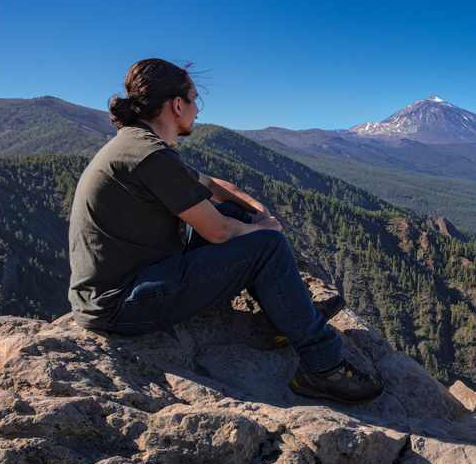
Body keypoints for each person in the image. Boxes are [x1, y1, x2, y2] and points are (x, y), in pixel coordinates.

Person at [68, 58, 383, 404]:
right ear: (177, 105)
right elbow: (218, 233)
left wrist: (257, 211)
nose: (197, 111)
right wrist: (266, 232)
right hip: (120, 304)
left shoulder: (141, 144)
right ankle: (322, 368)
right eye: (194, 99)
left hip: (138, 278)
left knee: (239, 215)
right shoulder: (148, 155)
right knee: (266, 246)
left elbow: (211, 184)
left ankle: (288, 318)